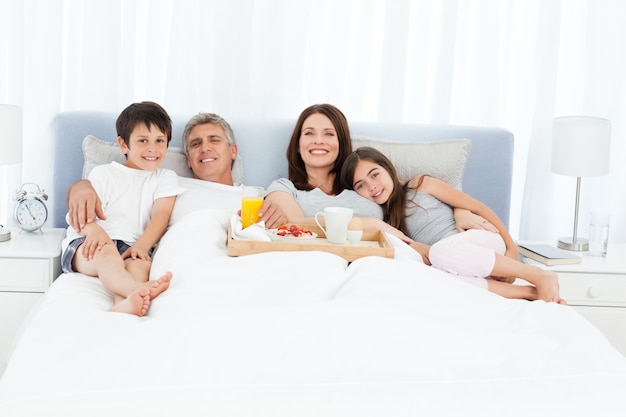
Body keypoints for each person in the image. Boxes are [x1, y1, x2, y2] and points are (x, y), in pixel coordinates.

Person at [339, 146, 565, 303]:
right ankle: (530, 293)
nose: (372, 186)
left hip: (478, 241)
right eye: (360, 185)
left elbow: (478, 208)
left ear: (387, 168)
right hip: (456, 263)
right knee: (441, 282)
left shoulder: (420, 184)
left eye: (375, 174)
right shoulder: (387, 223)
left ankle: (535, 274)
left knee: (441, 251)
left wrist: (511, 248)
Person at [263, 103, 492, 236]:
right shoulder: (284, 187)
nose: (318, 141)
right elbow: (291, 224)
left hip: (378, 262)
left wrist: (460, 210)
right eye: (309, 133)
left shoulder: (362, 185)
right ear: (298, 144)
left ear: (341, 142)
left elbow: (412, 191)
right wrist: (371, 224)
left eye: (329, 134)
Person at [60, 101, 185, 316]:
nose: (153, 148)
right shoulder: (104, 174)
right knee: (106, 252)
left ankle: (125, 305)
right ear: (123, 144)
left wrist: (142, 247)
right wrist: (94, 231)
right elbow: (80, 214)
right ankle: (136, 289)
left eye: (160, 140)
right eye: (143, 141)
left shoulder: (165, 178)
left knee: (139, 267)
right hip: (89, 243)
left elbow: (161, 216)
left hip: (132, 246)